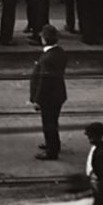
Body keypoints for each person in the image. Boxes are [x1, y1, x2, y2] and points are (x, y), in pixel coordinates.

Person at [30, 25, 67, 160]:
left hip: (49, 97)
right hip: (58, 94)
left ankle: (52, 150)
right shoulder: (59, 52)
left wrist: (37, 100)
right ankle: (53, 144)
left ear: (44, 40)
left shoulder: (47, 58)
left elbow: (44, 82)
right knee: (52, 121)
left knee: (49, 123)